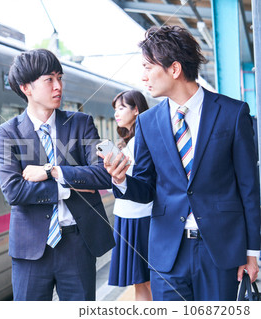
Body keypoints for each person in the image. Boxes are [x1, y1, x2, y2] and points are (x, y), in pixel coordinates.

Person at [105, 25, 260, 301]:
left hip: (221, 252)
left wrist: (252, 252)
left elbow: (249, 188)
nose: (143, 77)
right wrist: (121, 180)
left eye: (148, 67)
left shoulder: (233, 114)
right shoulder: (147, 123)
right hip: (168, 254)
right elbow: (145, 187)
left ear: (174, 69)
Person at [0, 48, 114, 301]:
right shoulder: (7, 133)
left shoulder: (81, 123)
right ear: (26, 87)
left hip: (78, 244)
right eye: (49, 79)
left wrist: (53, 171)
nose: (58, 86)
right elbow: (14, 191)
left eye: (60, 78)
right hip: (30, 250)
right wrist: (70, 184)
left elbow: (103, 176)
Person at [106, 90, 152, 301]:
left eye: (122, 108)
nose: (116, 113)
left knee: (147, 280)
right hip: (127, 215)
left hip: (140, 216)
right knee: (139, 281)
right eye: (115, 109)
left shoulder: (140, 142)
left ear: (136, 110)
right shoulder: (127, 143)